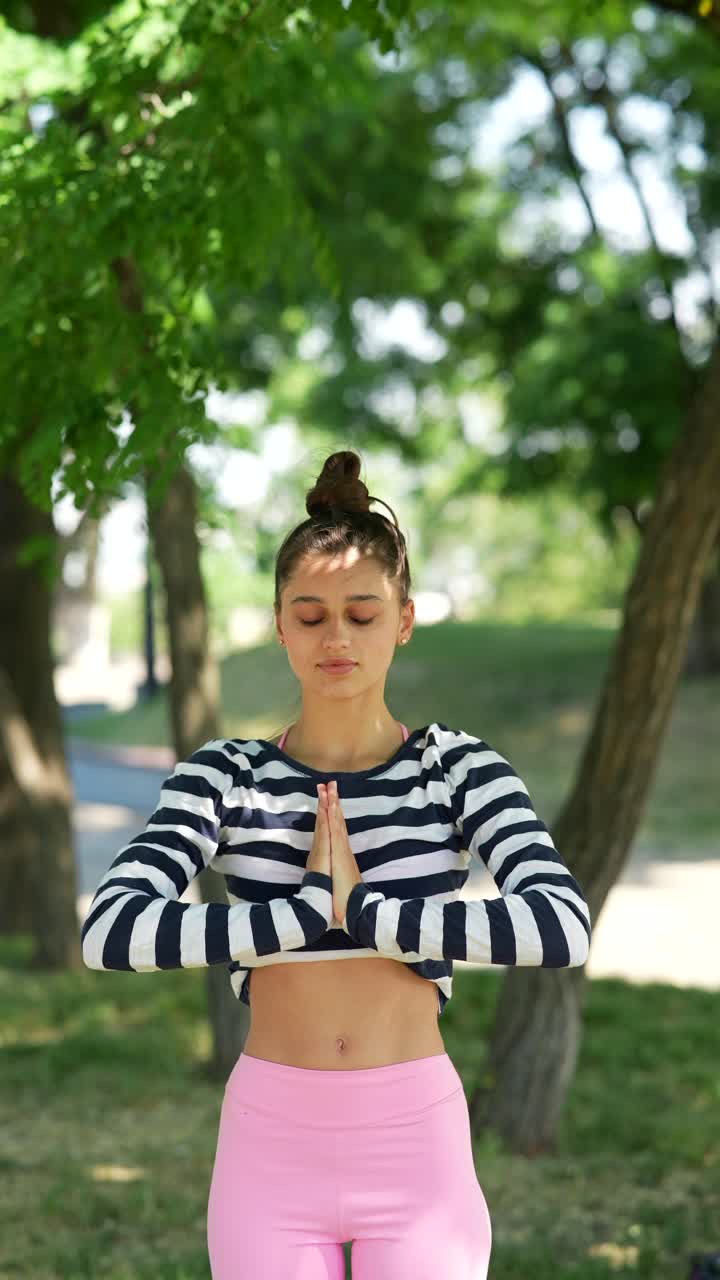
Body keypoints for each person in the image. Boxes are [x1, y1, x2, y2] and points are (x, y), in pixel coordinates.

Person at [81, 448, 592, 1279]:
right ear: (280, 624)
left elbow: (561, 925)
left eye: (362, 612)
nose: (337, 637)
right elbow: (111, 931)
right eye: (311, 615)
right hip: (270, 1146)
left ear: (404, 619)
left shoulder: (457, 768)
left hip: (415, 1143)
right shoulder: (226, 775)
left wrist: (371, 915)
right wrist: (298, 915)